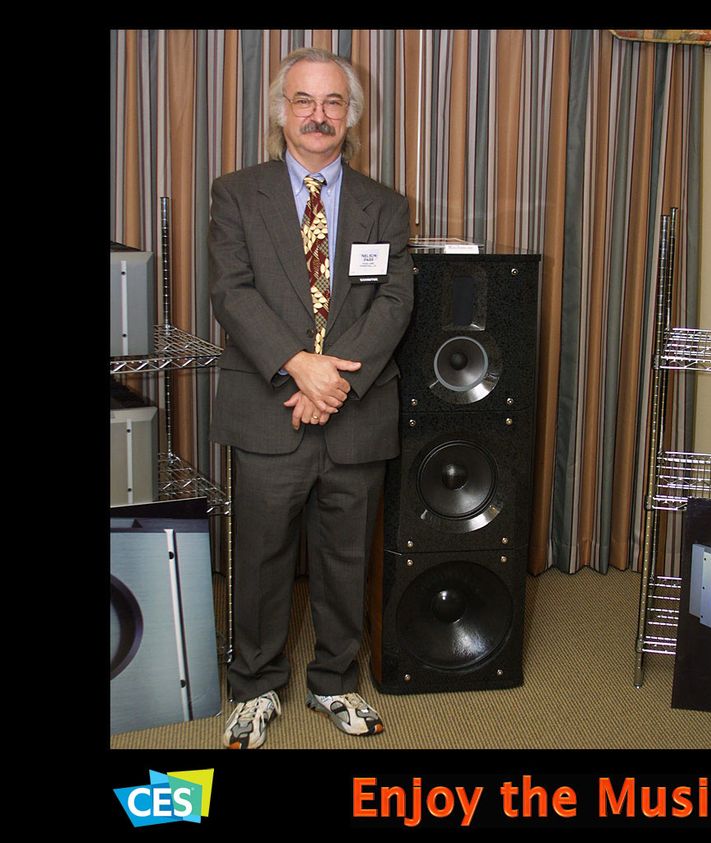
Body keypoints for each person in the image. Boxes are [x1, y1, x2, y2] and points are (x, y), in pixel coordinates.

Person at [208, 47, 414, 749]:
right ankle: (255, 686)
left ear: (351, 115)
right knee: (260, 558)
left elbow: (393, 299)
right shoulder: (236, 193)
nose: (318, 115)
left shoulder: (387, 205)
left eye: (332, 102)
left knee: (345, 556)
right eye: (303, 100)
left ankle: (333, 680)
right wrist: (300, 367)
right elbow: (230, 292)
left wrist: (337, 382)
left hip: (353, 413)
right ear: (281, 112)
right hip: (270, 408)